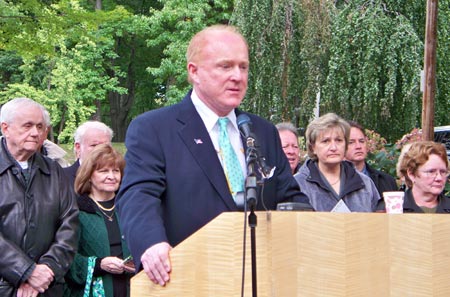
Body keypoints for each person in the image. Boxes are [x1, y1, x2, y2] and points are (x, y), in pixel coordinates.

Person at [116, 24, 309, 287]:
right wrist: (151, 244)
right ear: (194, 71)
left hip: (262, 278)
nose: (237, 76)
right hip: (186, 278)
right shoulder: (154, 128)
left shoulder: (262, 131)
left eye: (243, 67)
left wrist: (312, 230)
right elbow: (138, 196)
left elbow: (289, 197)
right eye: (225, 66)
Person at [0, 97, 79, 297]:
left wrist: (47, 270)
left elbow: (69, 224)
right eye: (27, 126)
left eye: (40, 126)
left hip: (47, 287)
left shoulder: (54, 170)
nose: (35, 133)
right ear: (5, 128)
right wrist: (25, 271)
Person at [64, 144, 134, 297]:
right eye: (103, 171)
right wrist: (98, 264)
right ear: (89, 175)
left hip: (132, 287)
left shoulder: (130, 208)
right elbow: (65, 258)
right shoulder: (75, 210)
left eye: (116, 171)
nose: (111, 176)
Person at [294, 113, 380, 212]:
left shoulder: (365, 183)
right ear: (313, 147)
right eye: (326, 141)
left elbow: (378, 222)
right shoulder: (298, 184)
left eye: (339, 140)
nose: (333, 148)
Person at [345, 121, 397, 198]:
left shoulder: (386, 181)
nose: (358, 146)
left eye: (361, 141)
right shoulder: (334, 182)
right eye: (351, 142)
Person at [396, 141, 449, 213]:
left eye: (443, 172)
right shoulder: (392, 208)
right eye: (431, 172)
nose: (439, 178)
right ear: (411, 174)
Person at [64, 121, 113, 185]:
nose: (100, 150)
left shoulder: (119, 181)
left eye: (105, 146)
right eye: (94, 145)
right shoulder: (61, 178)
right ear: (78, 148)